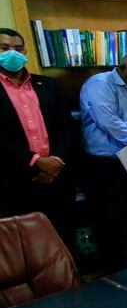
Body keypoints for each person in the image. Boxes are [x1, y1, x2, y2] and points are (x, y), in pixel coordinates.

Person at [80, 51, 127, 272]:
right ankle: (123, 268)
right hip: (105, 162)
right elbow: (110, 122)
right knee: (113, 216)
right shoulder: (99, 85)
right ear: (121, 69)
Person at [0, 27, 74, 246]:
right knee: (28, 246)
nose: (12, 53)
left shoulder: (48, 85)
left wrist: (56, 162)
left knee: (64, 239)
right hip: (15, 181)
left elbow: (67, 127)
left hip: (57, 177)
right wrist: (36, 162)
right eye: (4, 48)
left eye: (18, 48)